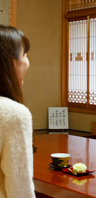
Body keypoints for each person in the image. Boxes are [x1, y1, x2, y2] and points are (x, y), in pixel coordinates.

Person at [0, 25, 35, 197]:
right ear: (11, 62)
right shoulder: (13, 113)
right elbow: (19, 189)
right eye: (25, 55)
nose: (28, 62)